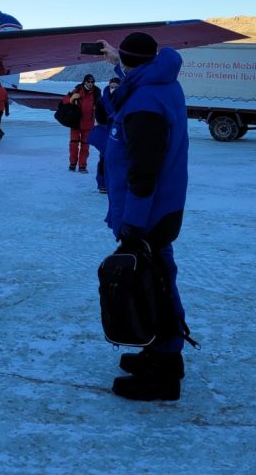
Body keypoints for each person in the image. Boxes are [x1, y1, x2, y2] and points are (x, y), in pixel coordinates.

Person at [101, 32, 192, 401]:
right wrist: (119, 64)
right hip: (162, 204)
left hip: (149, 211)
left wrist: (133, 223)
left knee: (153, 282)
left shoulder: (145, 102)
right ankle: (161, 351)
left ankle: (164, 372)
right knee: (156, 278)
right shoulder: (159, 81)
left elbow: (143, 172)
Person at [62, 73, 100, 173]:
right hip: (75, 122)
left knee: (85, 146)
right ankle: (72, 163)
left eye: (92, 82)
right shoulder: (77, 89)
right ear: (84, 81)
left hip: (88, 123)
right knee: (73, 144)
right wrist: (71, 99)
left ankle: (82, 166)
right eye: (88, 81)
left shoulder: (96, 92)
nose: (90, 83)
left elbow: (101, 105)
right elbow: (64, 100)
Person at [90, 76, 120, 193]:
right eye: (111, 86)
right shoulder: (102, 101)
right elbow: (100, 117)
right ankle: (102, 183)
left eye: (116, 87)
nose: (113, 89)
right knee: (104, 158)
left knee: (117, 159)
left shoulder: (123, 99)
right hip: (105, 132)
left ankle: (114, 182)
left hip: (118, 133)